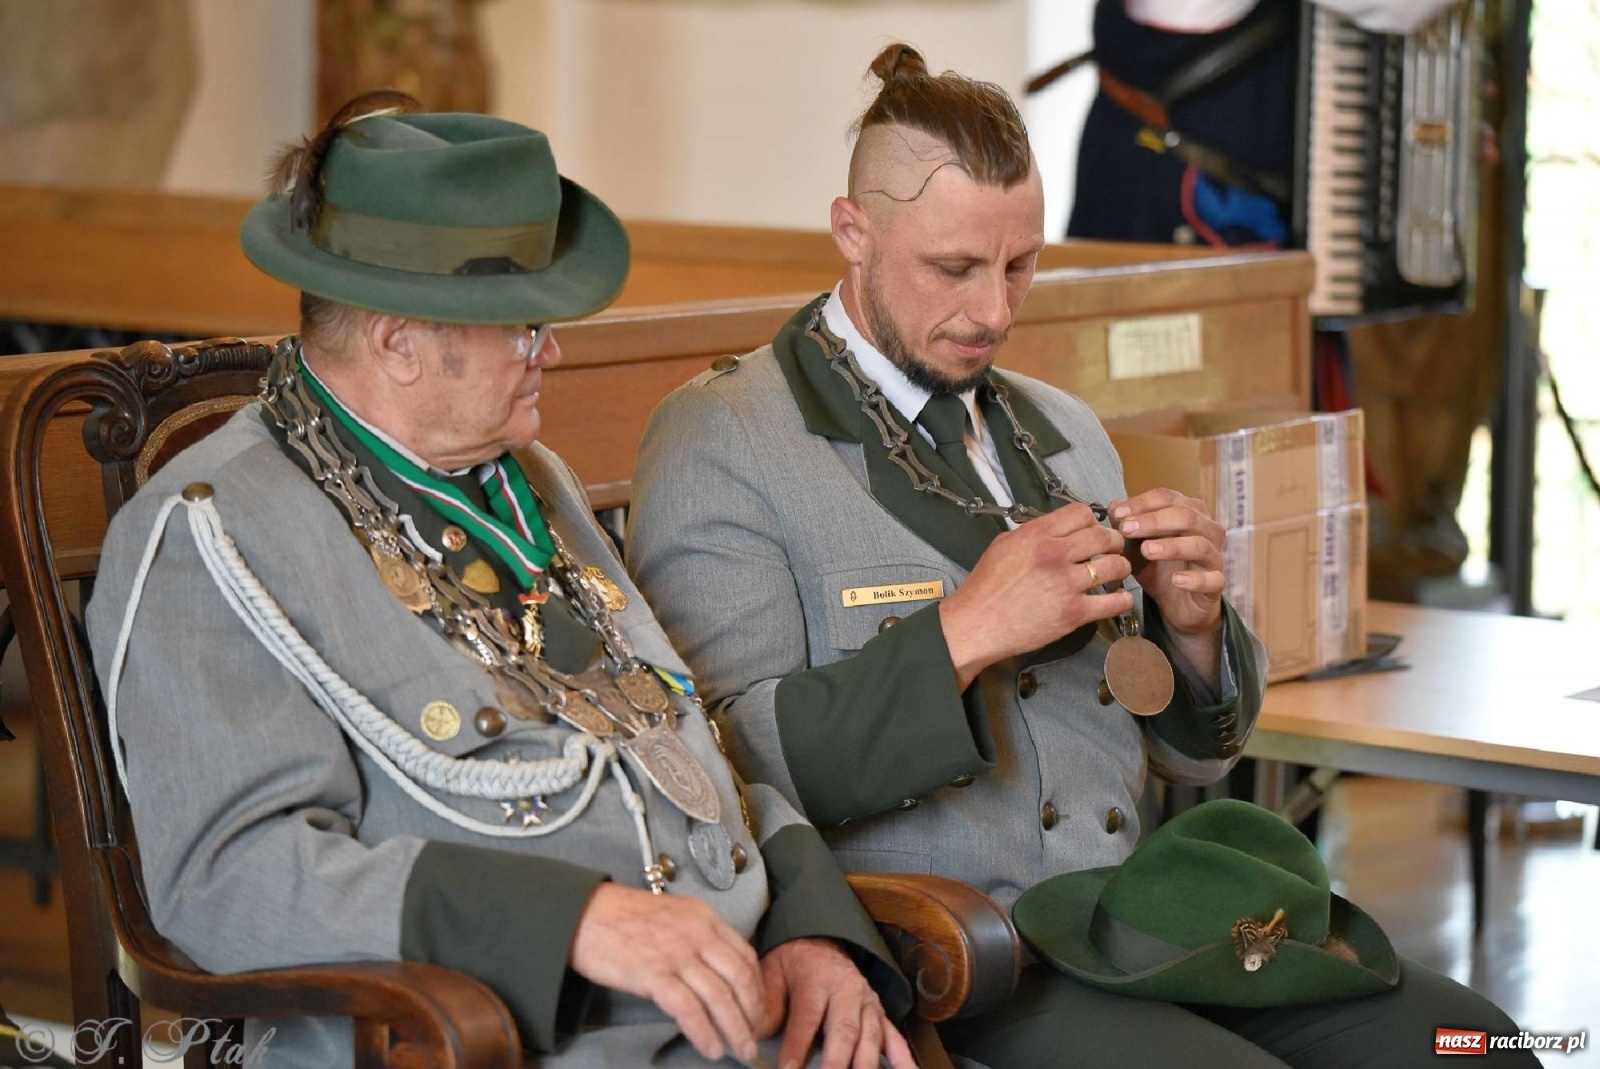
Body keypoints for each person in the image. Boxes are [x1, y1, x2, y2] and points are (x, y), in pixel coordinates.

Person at [627, 45, 1535, 1067]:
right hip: (966, 951)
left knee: (1474, 1044)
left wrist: (1191, 631)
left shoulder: (1060, 428)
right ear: (852, 231)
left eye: (1020, 267)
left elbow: (1194, 753)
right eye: (953, 269)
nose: (995, 312)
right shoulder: (727, 437)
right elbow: (719, 767)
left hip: (1144, 918)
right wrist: (963, 633)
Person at [83, 93, 914, 1069]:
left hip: (727, 1016)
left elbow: (674, 734)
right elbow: (229, 881)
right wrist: (573, 920)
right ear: (395, 341)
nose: (549, 353)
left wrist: (807, 923)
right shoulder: (209, 532)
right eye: (521, 328)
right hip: (485, 1040)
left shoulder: (527, 482)